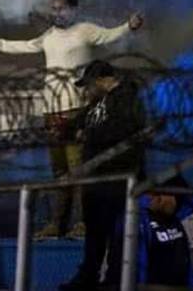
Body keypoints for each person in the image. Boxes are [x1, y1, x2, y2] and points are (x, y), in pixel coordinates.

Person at [0, 0, 144, 238]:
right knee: (60, 173)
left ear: (73, 10)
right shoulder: (49, 35)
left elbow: (109, 35)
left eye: (61, 8)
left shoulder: (85, 30)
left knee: (80, 171)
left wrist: (129, 26)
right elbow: (26, 46)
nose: (56, 13)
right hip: (51, 112)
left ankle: (84, 223)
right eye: (54, 8)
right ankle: (57, 224)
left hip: (75, 111)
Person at [60, 60, 146, 291]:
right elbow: (79, 123)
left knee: (117, 234)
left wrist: (87, 133)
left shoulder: (127, 98)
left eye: (89, 84)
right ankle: (88, 276)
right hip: (95, 180)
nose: (87, 90)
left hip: (118, 178)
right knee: (95, 233)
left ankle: (115, 279)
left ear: (101, 80)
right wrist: (65, 127)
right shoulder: (97, 104)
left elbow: (124, 129)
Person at [138, 166, 193, 290]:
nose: (177, 202)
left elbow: (192, 201)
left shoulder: (171, 215)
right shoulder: (140, 222)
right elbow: (137, 270)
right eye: (175, 197)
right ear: (161, 195)